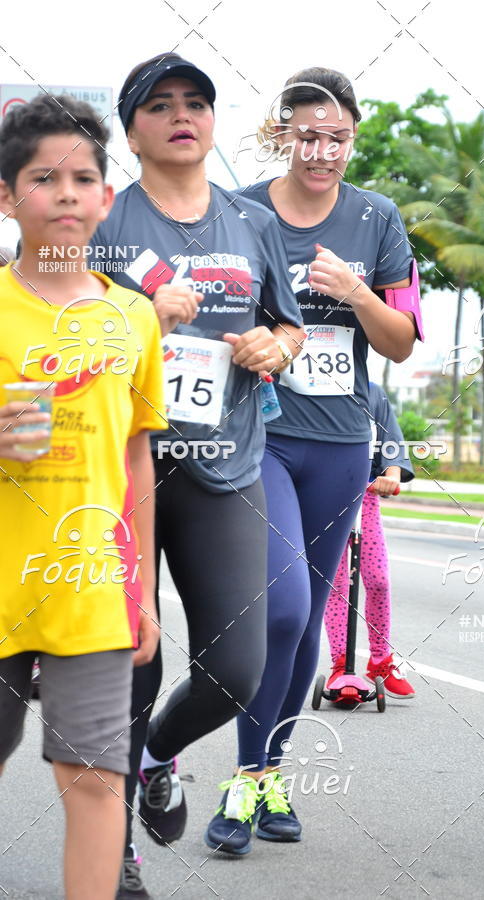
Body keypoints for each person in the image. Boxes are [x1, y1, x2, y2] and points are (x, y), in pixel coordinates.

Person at [90, 53, 303, 897]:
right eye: (161, 104)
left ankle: (155, 760)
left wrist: (274, 347)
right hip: (126, 471)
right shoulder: (102, 222)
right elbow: (63, 334)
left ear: (214, 122)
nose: (183, 115)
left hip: (227, 467)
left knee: (237, 670)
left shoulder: (251, 223)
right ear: (131, 129)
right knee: (129, 662)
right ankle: (115, 855)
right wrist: (140, 315)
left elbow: (285, 324)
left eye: (197, 103)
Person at [204, 66, 423, 856]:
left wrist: (356, 294)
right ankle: (241, 776)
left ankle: (262, 775)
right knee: (287, 608)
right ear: (283, 133)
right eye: (310, 135)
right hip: (258, 436)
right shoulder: (242, 210)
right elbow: (212, 310)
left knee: (301, 635)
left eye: (339, 138)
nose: (324, 151)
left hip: (340, 443)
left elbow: (399, 339)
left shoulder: (377, 218)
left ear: (352, 140)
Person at [0, 95, 165, 899]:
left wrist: (143, 592)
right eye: (43, 177)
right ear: (7, 196)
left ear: (106, 196)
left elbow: (136, 458)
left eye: (84, 177)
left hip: (93, 586)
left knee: (96, 777)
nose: (66, 192)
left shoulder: (134, 318)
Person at [324, 382, 416, 698]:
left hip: (365, 495)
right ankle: (341, 663)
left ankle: (380, 661)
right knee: (336, 584)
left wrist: (391, 476)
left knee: (378, 580)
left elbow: (391, 443)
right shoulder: (311, 389)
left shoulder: (372, 393)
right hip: (323, 496)